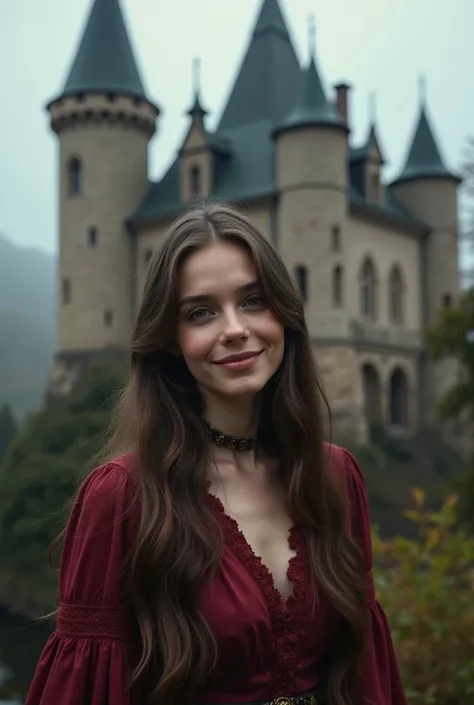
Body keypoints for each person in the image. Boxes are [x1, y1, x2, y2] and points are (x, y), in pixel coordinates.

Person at [26, 203, 406, 705]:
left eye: (253, 300)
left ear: (284, 314)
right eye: (201, 312)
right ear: (169, 340)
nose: (234, 328)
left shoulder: (335, 475)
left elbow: (365, 676)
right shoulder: (122, 497)